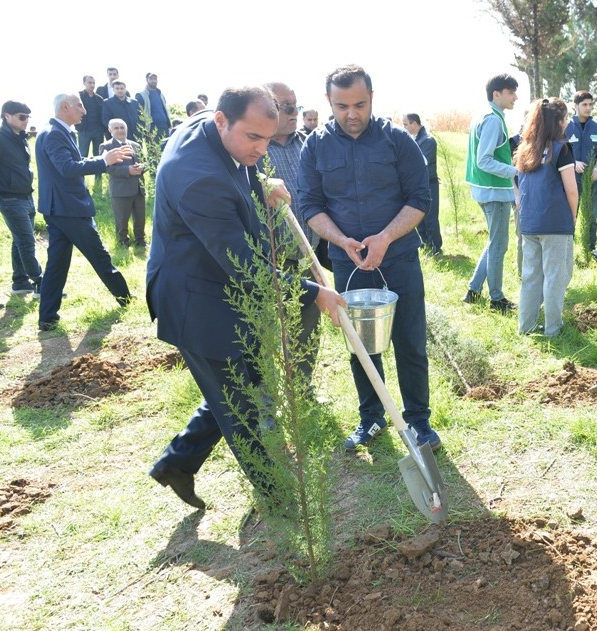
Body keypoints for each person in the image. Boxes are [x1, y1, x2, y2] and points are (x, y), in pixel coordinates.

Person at [146, 85, 344, 509]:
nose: (261, 147)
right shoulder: (197, 178)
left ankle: (177, 463)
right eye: (253, 138)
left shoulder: (215, 129)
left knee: (239, 385)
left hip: (219, 286)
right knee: (243, 406)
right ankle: (280, 500)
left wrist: (260, 182)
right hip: (195, 300)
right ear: (221, 120)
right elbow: (245, 266)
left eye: (268, 139)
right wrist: (314, 294)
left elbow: (240, 166)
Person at [299, 64, 441, 452]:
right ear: (329, 101)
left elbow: (420, 199)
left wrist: (385, 237)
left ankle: (419, 422)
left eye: (359, 104)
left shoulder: (397, 140)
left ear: (372, 98)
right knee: (361, 346)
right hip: (349, 264)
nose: (351, 114)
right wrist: (341, 240)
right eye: (342, 105)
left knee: (410, 341)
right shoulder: (315, 146)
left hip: (399, 259)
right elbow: (309, 205)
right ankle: (371, 418)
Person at [36, 93, 134, 332]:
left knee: (57, 265)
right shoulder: (54, 134)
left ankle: (47, 318)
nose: (84, 110)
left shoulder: (55, 132)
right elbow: (68, 168)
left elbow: (74, 162)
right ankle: (126, 300)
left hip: (59, 210)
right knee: (100, 256)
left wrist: (103, 159)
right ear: (66, 106)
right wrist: (104, 161)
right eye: (79, 105)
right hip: (69, 210)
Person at [259, 81, 322, 383]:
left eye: (295, 106)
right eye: (285, 107)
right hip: (269, 257)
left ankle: (302, 386)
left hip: (308, 254)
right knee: (270, 327)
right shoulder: (256, 148)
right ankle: (268, 394)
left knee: (309, 321)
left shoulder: (308, 143)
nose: (293, 113)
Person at [515, 97, 579, 337]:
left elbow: (519, 186)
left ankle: (526, 326)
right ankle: (553, 329)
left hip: (529, 222)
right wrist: (572, 217)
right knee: (556, 276)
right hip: (555, 222)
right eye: (565, 118)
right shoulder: (561, 148)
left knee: (531, 276)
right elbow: (571, 190)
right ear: (560, 122)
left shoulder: (525, 149)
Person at [464, 73, 520, 312]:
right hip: (494, 192)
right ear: (496, 94)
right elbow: (484, 160)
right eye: (511, 92)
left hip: (486, 190)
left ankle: (473, 291)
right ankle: (496, 299)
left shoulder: (484, 115)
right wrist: (515, 171)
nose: (515, 97)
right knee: (499, 246)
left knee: (494, 242)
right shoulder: (493, 120)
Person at [0, 100, 43, 296]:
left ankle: (20, 282)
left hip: (26, 196)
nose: (26, 121)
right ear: (7, 116)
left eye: (28, 117)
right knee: (26, 241)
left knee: (19, 240)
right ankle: (40, 281)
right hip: (9, 198)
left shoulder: (21, 137)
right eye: (22, 117)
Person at [565, 90, 597, 257]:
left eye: (590, 104)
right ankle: (567, 247)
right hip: (570, 179)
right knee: (569, 213)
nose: (588, 108)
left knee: (592, 213)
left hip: (592, 179)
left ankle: (590, 247)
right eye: (584, 105)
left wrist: (596, 169)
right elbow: (560, 151)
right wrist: (573, 163)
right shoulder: (566, 126)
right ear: (575, 106)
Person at [98, 119, 145, 247]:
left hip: (138, 188)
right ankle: (122, 243)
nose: (120, 130)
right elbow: (107, 168)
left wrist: (141, 167)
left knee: (140, 218)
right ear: (110, 130)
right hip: (121, 189)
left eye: (122, 127)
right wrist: (127, 170)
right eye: (116, 128)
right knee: (122, 219)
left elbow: (144, 162)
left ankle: (141, 241)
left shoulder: (136, 145)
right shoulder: (106, 146)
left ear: (127, 129)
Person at [402, 113, 442, 256]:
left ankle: (436, 248)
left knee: (430, 217)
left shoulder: (428, 141)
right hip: (417, 185)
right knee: (418, 216)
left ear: (414, 124)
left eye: (405, 124)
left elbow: (418, 163)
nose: (404, 127)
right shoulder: (414, 140)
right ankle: (425, 243)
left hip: (429, 184)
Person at [76, 76, 107, 158]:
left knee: (98, 154)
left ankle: (98, 171)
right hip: (84, 130)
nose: (92, 85)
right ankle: (82, 171)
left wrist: (103, 128)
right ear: (84, 83)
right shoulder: (79, 97)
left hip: (98, 130)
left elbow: (102, 114)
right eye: (89, 83)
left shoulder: (99, 98)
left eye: (93, 83)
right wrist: (78, 126)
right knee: (83, 154)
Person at [136, 73, 170, 139]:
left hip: (164, 127)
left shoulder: (160, 94)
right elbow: (139, 114)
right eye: (151, 79)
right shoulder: (141, 95)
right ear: (146, 80)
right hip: (151, 129)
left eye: (155, 79)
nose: (153, 81)